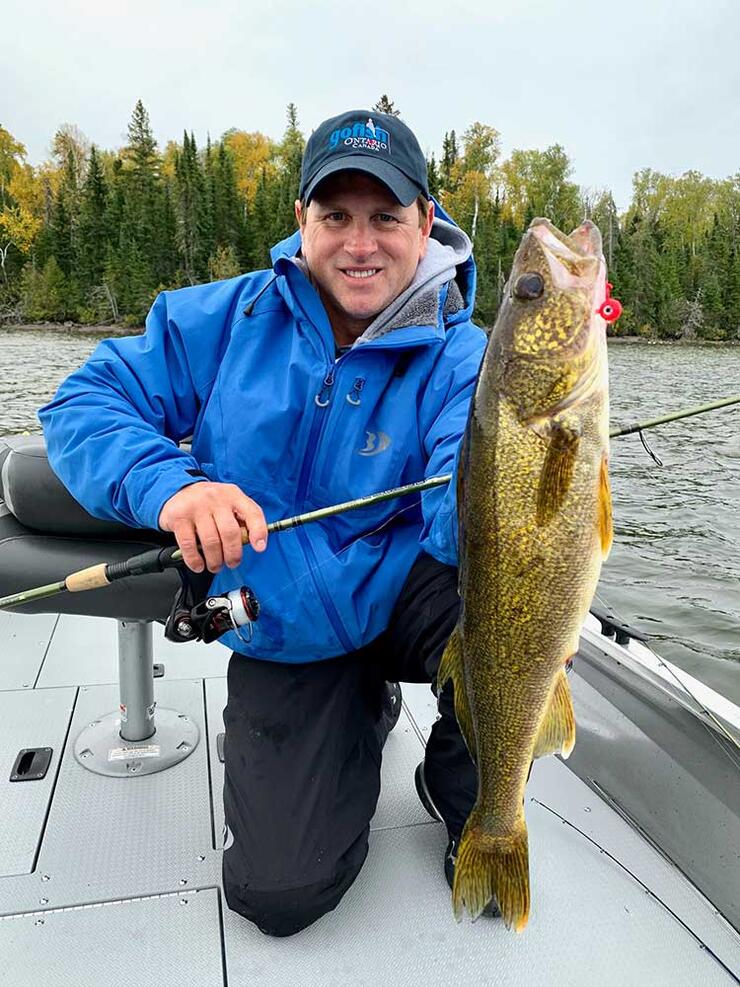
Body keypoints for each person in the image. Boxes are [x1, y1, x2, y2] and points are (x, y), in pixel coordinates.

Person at [38, 109, 489, 936]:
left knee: (520, 624)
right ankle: (362, 704)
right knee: (277, 894)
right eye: (336, 216)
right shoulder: (225, 317)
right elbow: (82, 402)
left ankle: (461, 792)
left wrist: (537, 468)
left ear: (425, 223)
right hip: (283, 623)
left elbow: (463, 526)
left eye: (386, 217)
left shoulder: (465, 359)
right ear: (301, 222)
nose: (361, 243)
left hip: (404, 592)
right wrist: (172, 488)